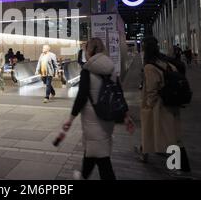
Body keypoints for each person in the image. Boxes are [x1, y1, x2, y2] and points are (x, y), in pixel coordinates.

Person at [62, 38, 134, 180]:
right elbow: (118, 92)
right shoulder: (111, 68)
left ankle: (83, 175)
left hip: (92, 119)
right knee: (96, 150)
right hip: (108, 117)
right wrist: (125, 115)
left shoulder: (87, 71)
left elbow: (81, 98)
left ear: (89, 50)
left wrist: (70, 119)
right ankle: (83, 174)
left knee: (101, 157)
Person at [135, 37, 191, 178]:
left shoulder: (149, 67)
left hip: (160, 108)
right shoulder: (165, 62)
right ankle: (145, 152)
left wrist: (149, 105)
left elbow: (152, 90)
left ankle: (177, 168)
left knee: (169, 138)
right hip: (171, 104)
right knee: (174, 136)